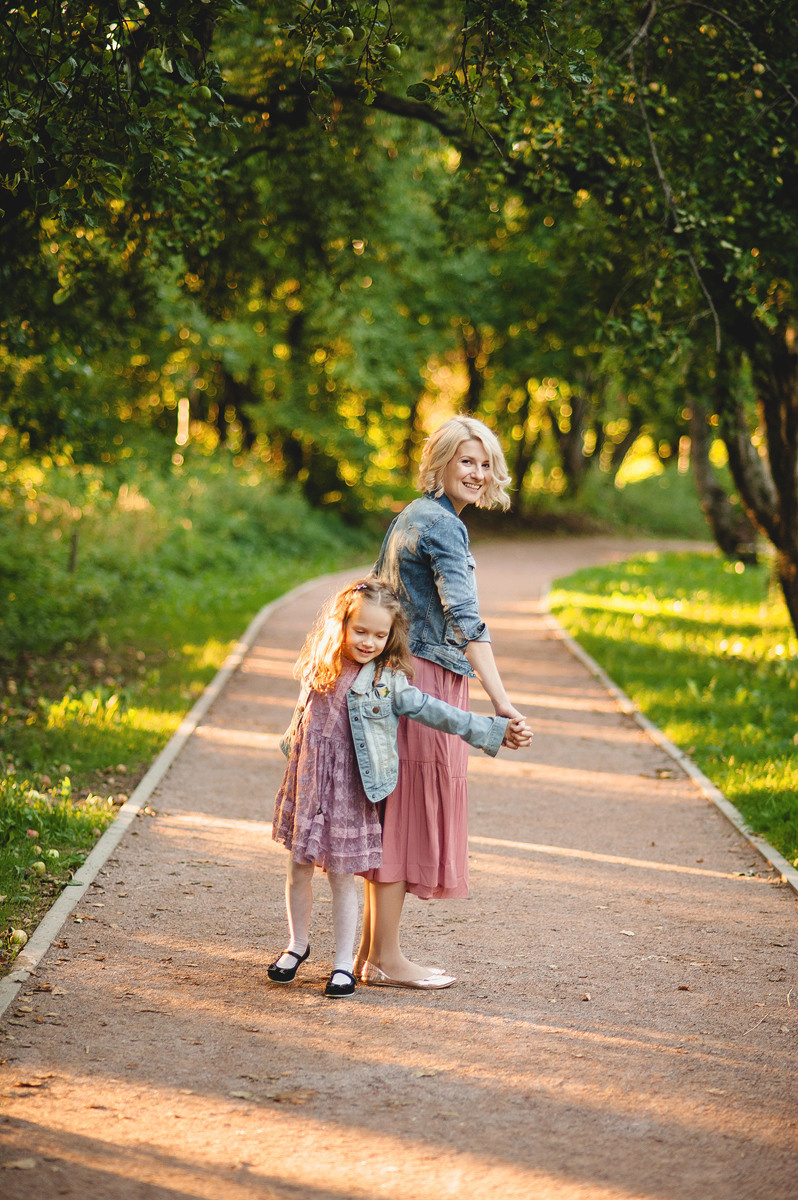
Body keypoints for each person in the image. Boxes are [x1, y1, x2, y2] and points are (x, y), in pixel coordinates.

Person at [269, 575, 518, 999]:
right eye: (360, 631)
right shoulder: (320, 666)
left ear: (391, 637)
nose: (369, 642)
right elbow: (302, 719)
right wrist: (291, 757)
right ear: (341, 626)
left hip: (349, 792)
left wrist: (491, 730)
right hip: (310, 785)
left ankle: (343, 964)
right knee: (298, 869)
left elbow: (435, 710)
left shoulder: (387, 681)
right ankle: (297, 945)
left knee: (342, 877)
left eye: (379, 635)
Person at [356, 415, 532, 988]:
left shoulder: (412, 514)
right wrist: (502, 703)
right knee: (404, 818)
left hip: (401, 674)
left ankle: (371, 953)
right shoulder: (442, 527)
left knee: (394, 813)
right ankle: (387, 956)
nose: (477, 473)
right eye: (466, 461)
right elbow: (465, 619)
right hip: (425, 680)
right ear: (441, 462)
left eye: (485, 463)